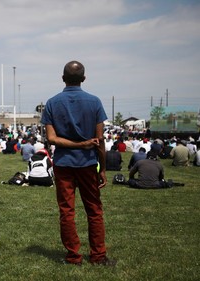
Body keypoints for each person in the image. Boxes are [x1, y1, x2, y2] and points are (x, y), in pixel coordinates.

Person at [41, 60, 115, 266]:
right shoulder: (95, 102)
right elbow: (100, 141)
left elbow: (52, 139)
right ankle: (98, 256)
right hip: (88, 164)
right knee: (94, 210)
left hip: (64, 163)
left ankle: (73, 256)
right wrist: (102, 169)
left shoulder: (52, 103)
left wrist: (78, 144)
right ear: (83, 79)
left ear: (63, 78)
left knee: (67, 211)